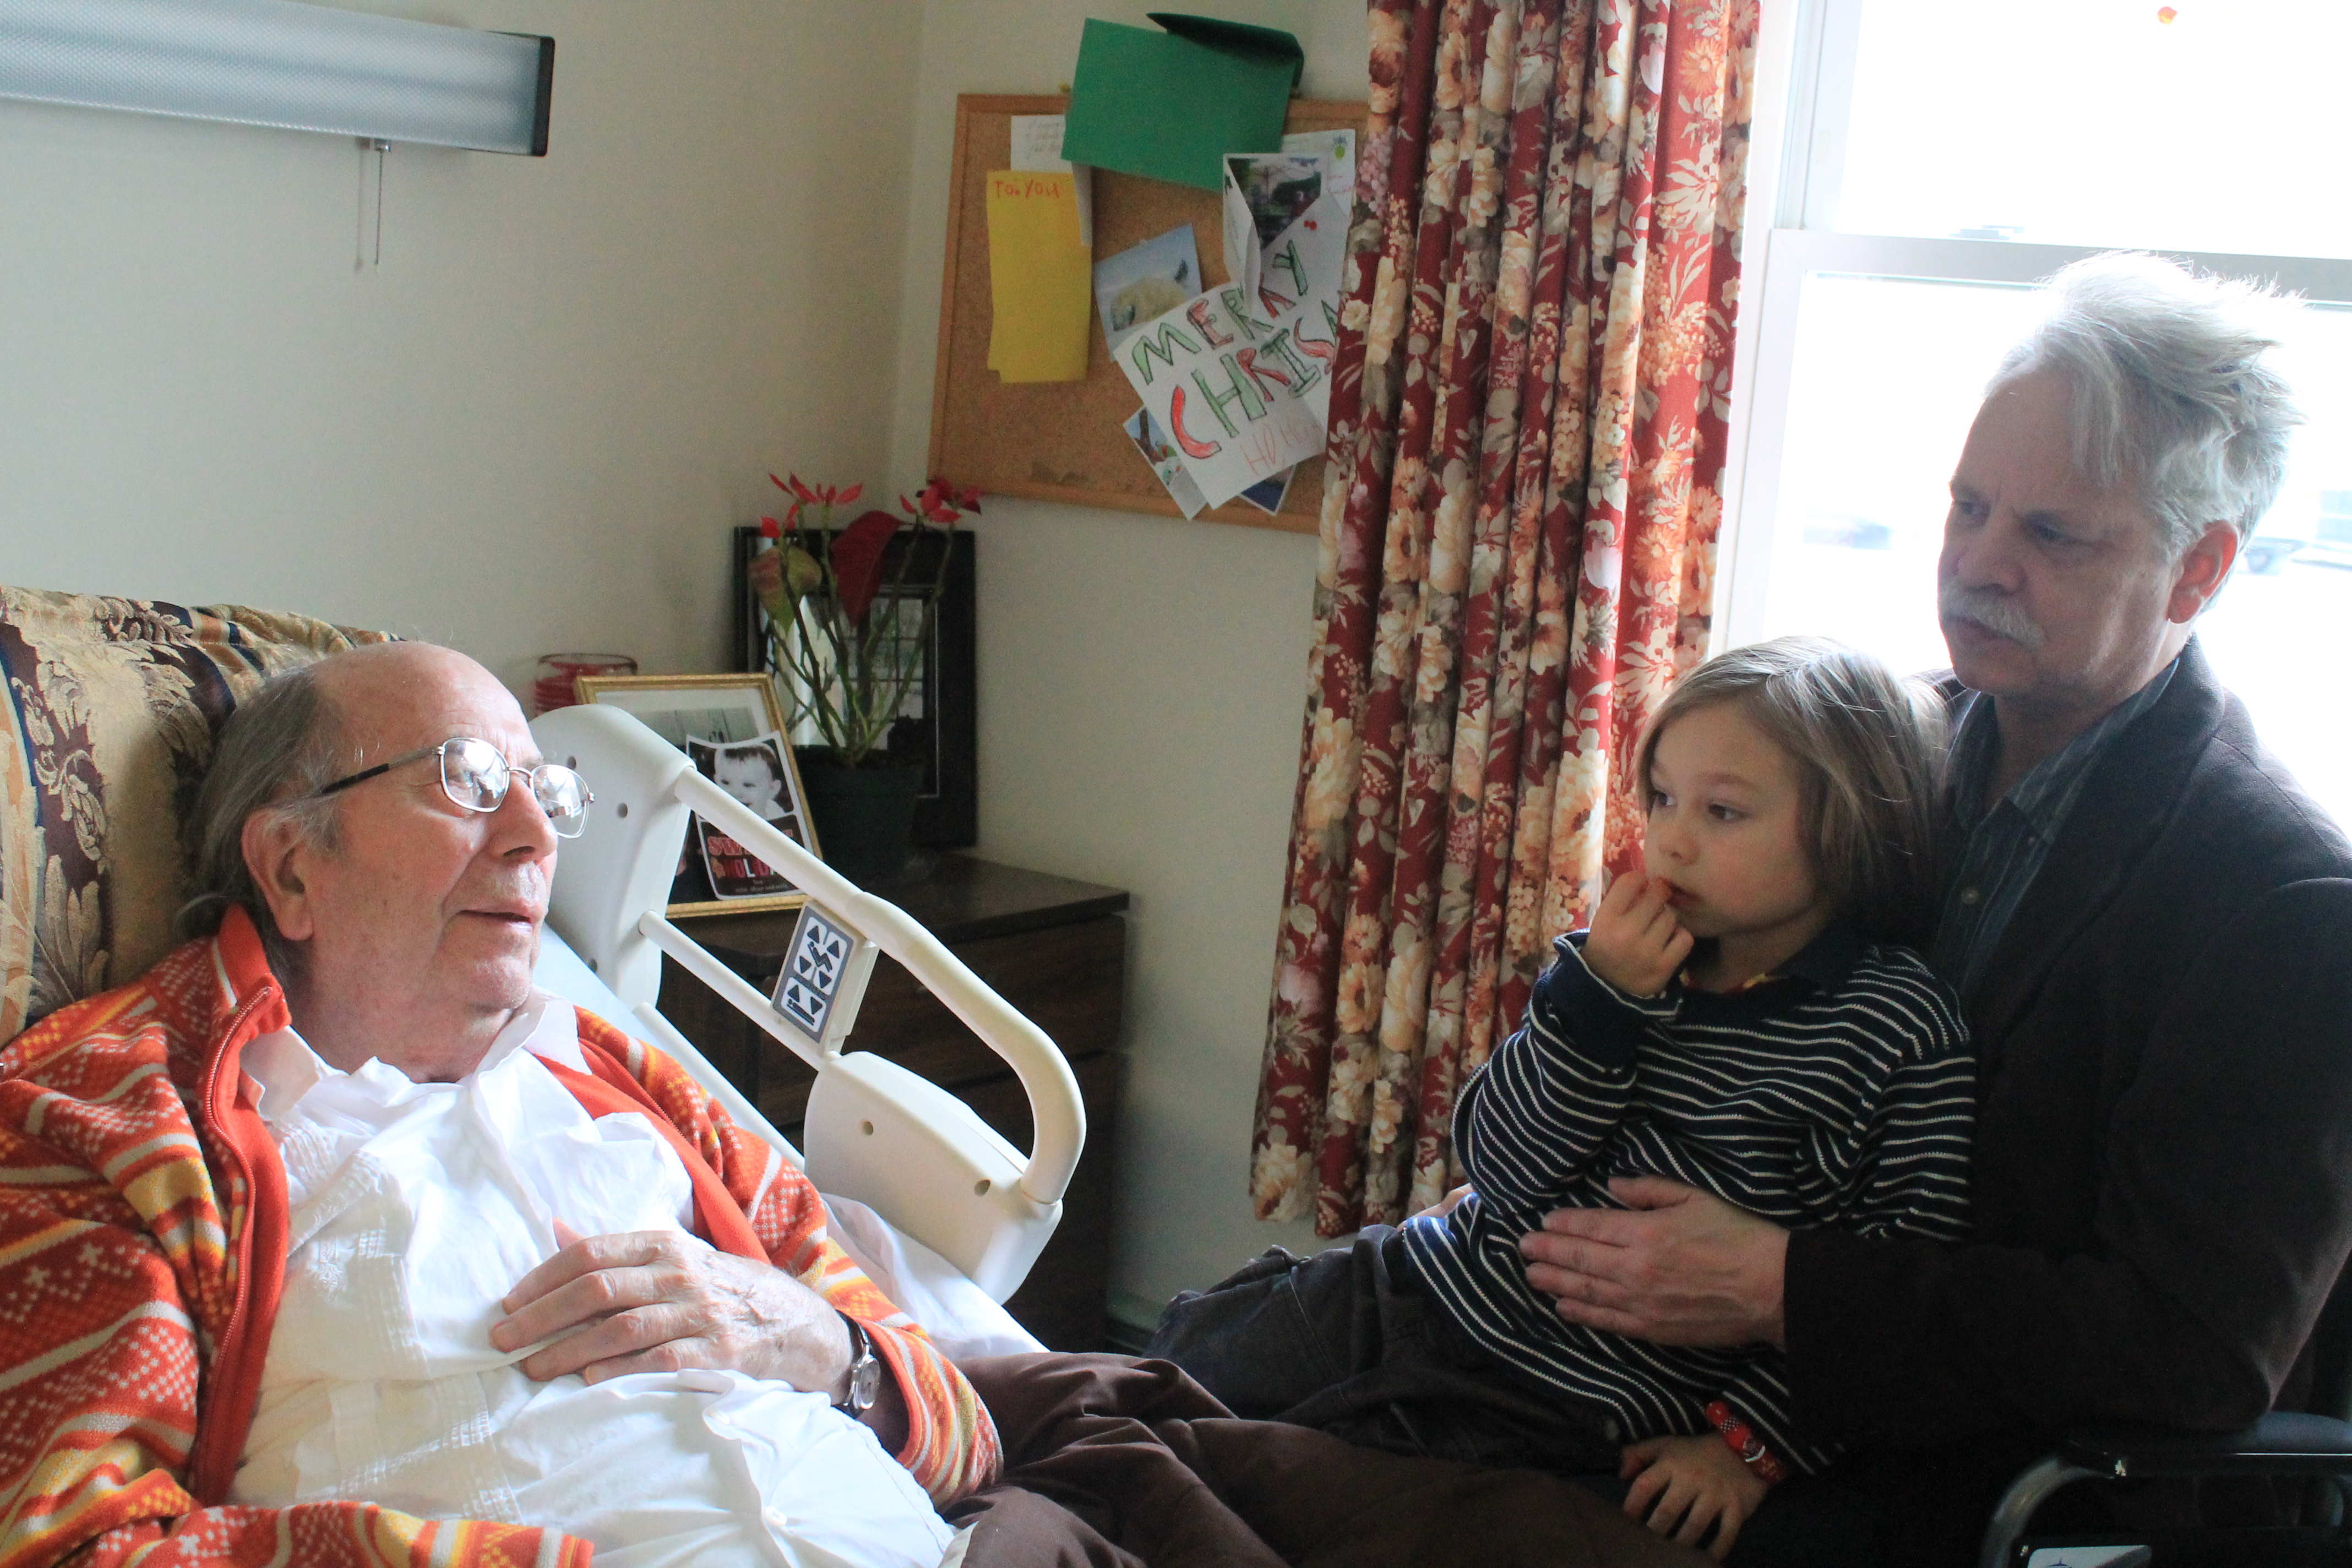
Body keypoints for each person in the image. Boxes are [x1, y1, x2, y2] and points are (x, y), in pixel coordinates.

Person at [0, 636, 1711, 1568]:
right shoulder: (111, 1123)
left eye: (544, 792)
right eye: (465, 785)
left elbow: (948, 1408)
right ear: (290, 866)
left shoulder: (618, 1074)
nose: (532, 836)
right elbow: (76, 1542)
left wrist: (815, 1343)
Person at [1515, 253, 2352, 1561]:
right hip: (1691, 1381)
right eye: (1969, 506)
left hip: (2004, 1477)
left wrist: (1776, 1284)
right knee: (1288, 1405)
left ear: (2198, 570)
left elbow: (2191, 1350)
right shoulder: (1884, 754)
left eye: (2052, 535)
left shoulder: (2283, 901)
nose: (1977, 564)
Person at [1148, 638, 1974, 1560]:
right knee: (1164, 1375)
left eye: (1723, 811)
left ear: (1849, 831)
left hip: (1574, 1405)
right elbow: (1498, 1164)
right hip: (1424, 1290)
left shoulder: (1896, 1031)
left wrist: (1750, 1448)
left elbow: (1877, 1294)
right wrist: (1599, 1004)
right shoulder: (1618, 964)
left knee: (1283, 1496)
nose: (1672, 840)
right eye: (1660, 798)